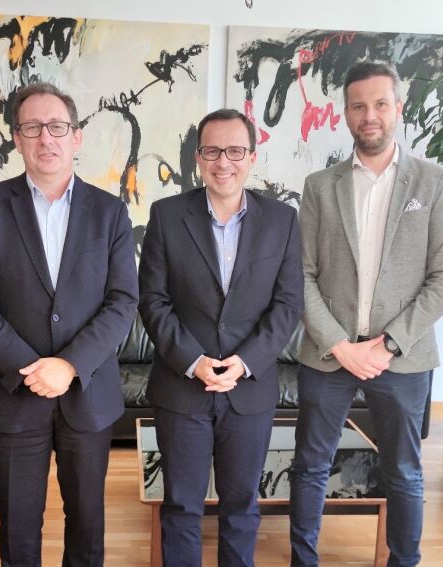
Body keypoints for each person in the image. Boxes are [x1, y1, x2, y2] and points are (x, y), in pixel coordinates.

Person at [0, 82, 138, 567]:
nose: (45, 138)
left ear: (76, 136)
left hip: (88, 393)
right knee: (17, 528)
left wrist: (70, 365)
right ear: (17, 138)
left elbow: (122, 301)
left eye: (57, 126)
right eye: (32, 127)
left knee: (88, 525)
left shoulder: (110, 211)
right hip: (14, 392)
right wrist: (29, 366)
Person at [289, 61, 443, 567]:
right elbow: (301, 276)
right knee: (310, 466)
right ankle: (303, 560)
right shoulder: (320, 186)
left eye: (380, 104)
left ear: (398, 108)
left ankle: (403, 561)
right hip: (330, 355)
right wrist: (340, 345)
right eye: (359, 106)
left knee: (404, 471)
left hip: (402, 358)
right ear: (345, 113)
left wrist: (386, 345)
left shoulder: (433, 182)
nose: (370, 115)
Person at [138, 108, 303, 567]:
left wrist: (244, 362)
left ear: (251, 157)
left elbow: (288, 303)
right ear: (198, 157)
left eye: (234, 151)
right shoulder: (167, 215)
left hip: (249, 388)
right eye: (212, 151)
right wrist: (194, 361)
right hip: (182, 385)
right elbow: (152, 300)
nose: (223, 162)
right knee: (181, 507)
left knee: (242, 507)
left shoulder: (282, 220)